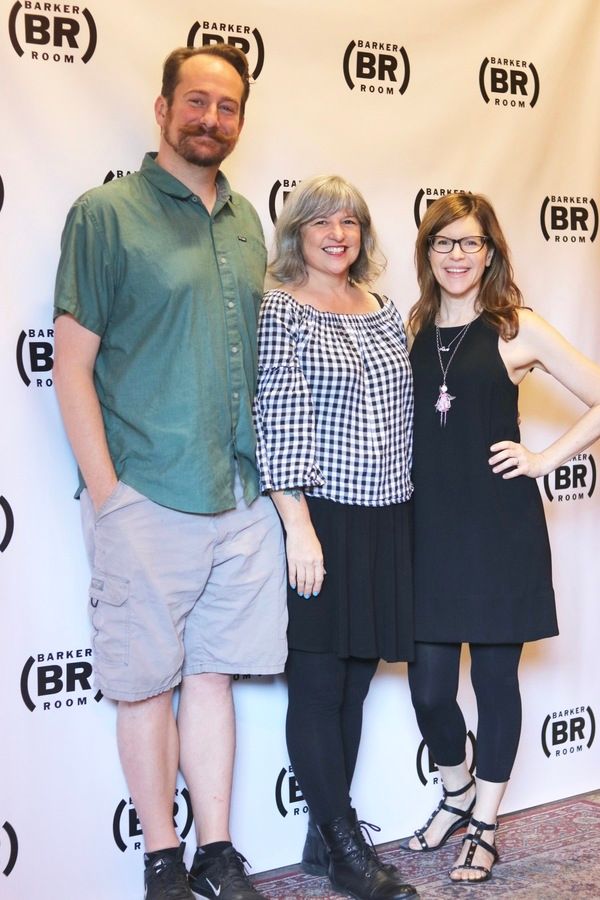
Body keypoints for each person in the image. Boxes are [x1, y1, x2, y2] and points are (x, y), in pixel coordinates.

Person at [53, 45, 287, 900]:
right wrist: (108, 495)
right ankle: (162, 861)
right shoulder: (105, 213)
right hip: (147, 493)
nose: (211, 120)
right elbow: (71, 364)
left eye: (227, 107)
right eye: (196, 102)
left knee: (212, 677)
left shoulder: (249, 221)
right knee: (146, 684)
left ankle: (217, 853)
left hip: (239, 495)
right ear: (161, 110)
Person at [401, 192, 600, 883]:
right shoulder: (414, 324)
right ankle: (455, 791)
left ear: (491, 251)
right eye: (443, 242)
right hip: (427, 528)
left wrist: (545, 459)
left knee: (492, 677)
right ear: (427, 253)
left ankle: (484, 821)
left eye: (471, 242)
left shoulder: (519, 328)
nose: (457, 255)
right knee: (428, 687)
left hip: (498, 528)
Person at [254, 175, 418, 900]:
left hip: (386, 515)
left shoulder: (385, 311)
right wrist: (299, 529)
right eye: (321, 220)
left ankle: (324, 839)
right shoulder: (281, 309)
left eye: (350, 220)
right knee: (318, 685)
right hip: (320, 516)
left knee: (353, 682)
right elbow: (278, 423)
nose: (337, 232)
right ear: (297, 232)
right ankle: (348, 849)